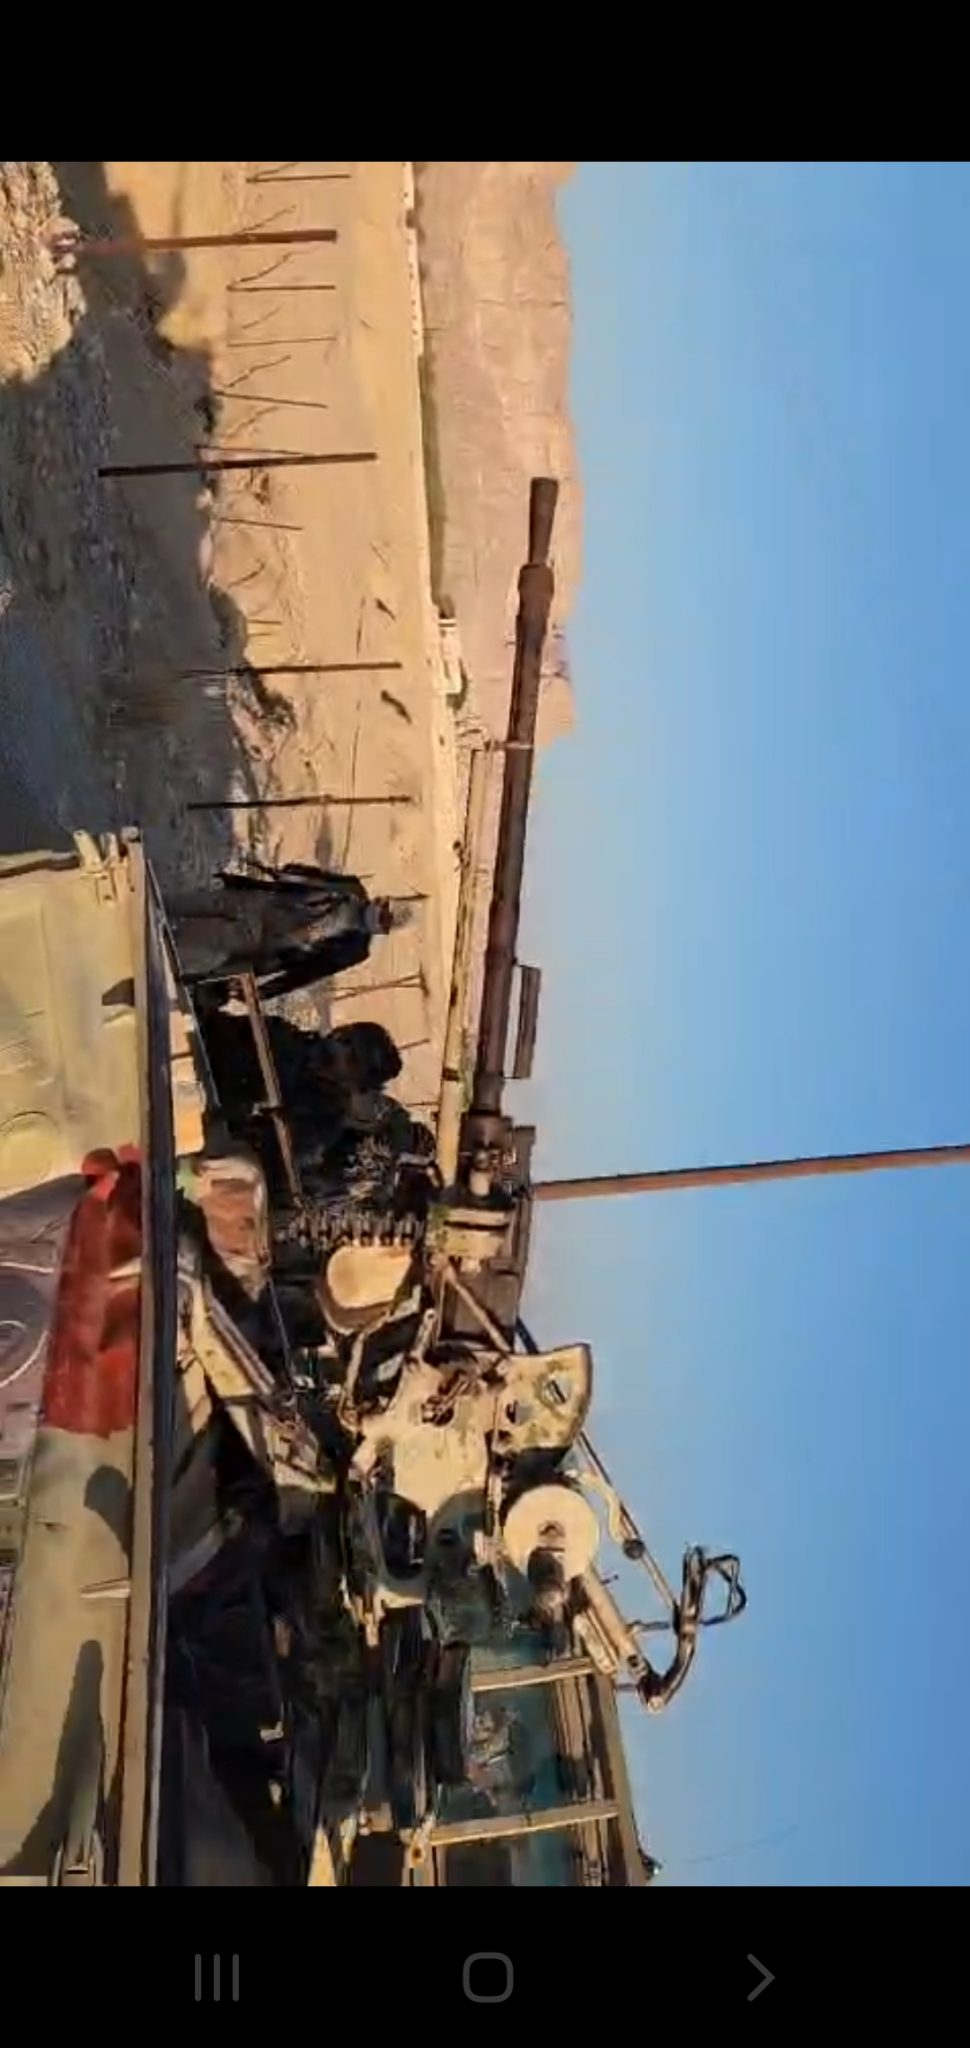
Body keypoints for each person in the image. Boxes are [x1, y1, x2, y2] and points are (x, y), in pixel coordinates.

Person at [167, 860, 410, 993]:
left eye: (386, 919)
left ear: (385, 931)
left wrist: (264, 991)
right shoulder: (353, 888)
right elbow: (310, 875)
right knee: (177, 903)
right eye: (385, 909)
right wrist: (285, 873)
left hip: (260, 939)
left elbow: (308, 972)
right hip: (259, 900)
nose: (380, 914)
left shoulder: (356, 949)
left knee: (185, 943)